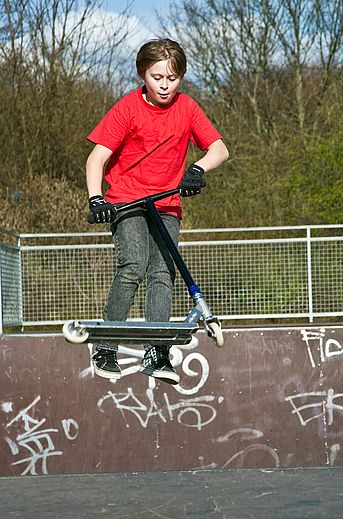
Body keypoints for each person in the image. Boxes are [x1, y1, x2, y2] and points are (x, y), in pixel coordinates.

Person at [85, 38, 229, 385]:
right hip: (127, 200)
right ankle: (106, 346)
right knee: (134, 263)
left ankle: (157, 350)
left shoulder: (188, 109)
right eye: (157, 77)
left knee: (164, 272)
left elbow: (219, 149)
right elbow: (97, 158)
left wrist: (197, 170)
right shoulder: (127, 109)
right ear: (143, 74)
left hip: (166, 202)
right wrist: (96, 198)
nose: (165, 85)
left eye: (173, 78)